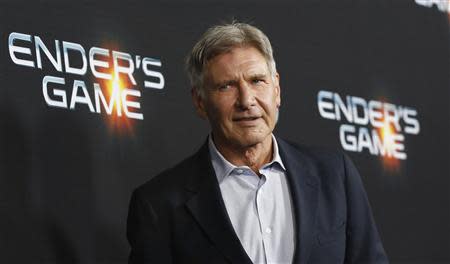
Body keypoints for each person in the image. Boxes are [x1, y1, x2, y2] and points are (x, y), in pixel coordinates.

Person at [127, 21, 388, 264]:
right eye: (226, 86)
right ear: (199, 101)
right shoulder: (159, 205)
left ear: (277, 89)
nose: (246, 100)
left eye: (257, 81)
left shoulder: (334, 174)